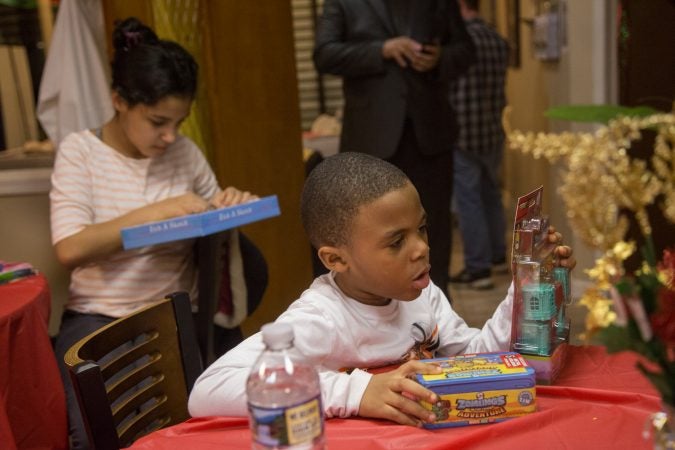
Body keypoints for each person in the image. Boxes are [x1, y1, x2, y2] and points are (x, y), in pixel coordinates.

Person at [188, 152, 575, 427]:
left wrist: (526, 289)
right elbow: (208, 389)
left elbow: (475, 359)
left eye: (420, 229)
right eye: (396, 242)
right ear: (336, 260)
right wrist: (354, 393)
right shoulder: (320, 318)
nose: (421, 248)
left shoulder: (423, 295)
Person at [50, 18, 256, 449]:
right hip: (101, 318)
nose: (170, 137)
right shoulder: (81, 152)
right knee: (98, 435)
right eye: (158, 121)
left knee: (206, 430)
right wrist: (155, 213)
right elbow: (70, 248)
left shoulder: (184, 152)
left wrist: (229, 204)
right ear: (119, 100)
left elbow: (211, 215)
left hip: (176, 317)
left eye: (179, 122)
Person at [312, 0, 477, 297]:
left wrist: (440, 58)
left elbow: (465, 51)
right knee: (369, 235)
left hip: (430, 135)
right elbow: (324, 54)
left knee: (434, 230)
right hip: (370, 138)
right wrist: (382, 50)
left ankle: (436, 316)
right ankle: (375, 316)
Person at [449, 0, 510, 290]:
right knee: (491, 193)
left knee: (468, 200)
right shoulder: (497, 39)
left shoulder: (461, 41)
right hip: (492, 129)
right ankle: (498, 254)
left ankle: (478, 268)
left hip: (463, 132)